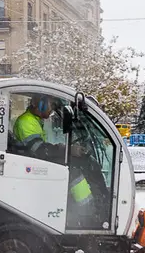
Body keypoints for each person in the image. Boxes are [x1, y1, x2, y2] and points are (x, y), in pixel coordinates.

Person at [12, 95, 101, 232]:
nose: (52, 110)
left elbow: (42, 148)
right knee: (74, 174)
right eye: (51, 105)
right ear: (39, 104)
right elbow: (40, 151)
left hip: (35, 164)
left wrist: (64, 148)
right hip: (33, 169)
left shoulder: (34, 120)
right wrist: (67, 150)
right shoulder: (26, 122)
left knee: (73, 165)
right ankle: (88, 217)